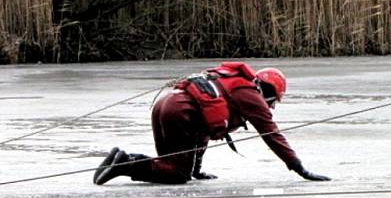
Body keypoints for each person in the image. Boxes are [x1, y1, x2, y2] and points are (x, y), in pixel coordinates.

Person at [94, 62, 330, 185]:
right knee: (176, 174)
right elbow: (271, 133)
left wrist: (196, 169)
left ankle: (123, 160)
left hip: (166, 104)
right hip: (178, 112)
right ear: (270, 93)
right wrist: (299, 168)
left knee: (169, 167)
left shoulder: (231, 83)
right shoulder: (250, 96)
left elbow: (204, 129)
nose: (270, 107)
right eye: (273, 102)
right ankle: (124, 163)